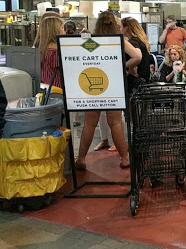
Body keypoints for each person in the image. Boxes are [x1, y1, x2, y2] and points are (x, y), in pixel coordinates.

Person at [76, 11, 138, 171]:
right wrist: (123, 66)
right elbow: (137, 56)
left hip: (92, 84)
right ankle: (125, 158)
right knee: (115, 122)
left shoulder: (90, 40)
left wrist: (84, 36)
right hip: (113, 82)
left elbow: (78, 53)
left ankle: (81, 159)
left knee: (89, 123)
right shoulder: (119, 41)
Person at [121, 17, 151, 95]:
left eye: (121, 27)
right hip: (144, 79)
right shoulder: (142, 41)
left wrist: (126, 66)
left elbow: (137, 56)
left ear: (126, 28)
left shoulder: (133, 42)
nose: (120, 29)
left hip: (135, 80)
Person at [39, 16, 64, 88]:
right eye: (62, 28)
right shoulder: (56, 53)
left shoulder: (42, 50)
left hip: (47, 90)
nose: (64, 31)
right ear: (55, 31)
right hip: (59, 91)